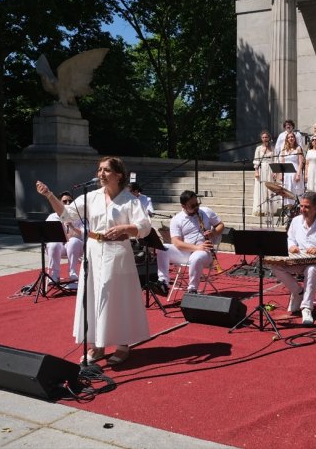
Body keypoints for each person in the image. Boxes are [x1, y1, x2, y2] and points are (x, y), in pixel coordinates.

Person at [35, 156, 151, 366]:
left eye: (106, 170)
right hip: (93, 250)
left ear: (119, 175)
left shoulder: (130, 200)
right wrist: (50, 195)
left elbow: (144, 227)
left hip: (119, 253)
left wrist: (125, 228)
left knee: (117, 297)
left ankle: (123, 345)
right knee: (94, 295)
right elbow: (68, 215)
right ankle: (97, 344)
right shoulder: (92, 197)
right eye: (99, 170)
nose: (101, 174)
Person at [270, 192, 316, 325]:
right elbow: (290, 238)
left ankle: (307, 308)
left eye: (306, 207)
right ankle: (299, 292)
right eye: (301, 206)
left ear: (315, 207)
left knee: (311, 269)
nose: (302, 209)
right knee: (276, 265)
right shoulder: (296, 221)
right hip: (301, 260)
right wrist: (292, 246)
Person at [156, 191, 224, 294]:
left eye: (197, 204)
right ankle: (163, 283)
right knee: (162, 247)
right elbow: (176, 243)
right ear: (183, 206)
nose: (196, 207)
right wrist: (197, 247)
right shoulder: (177, 219)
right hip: (187, 251)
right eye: (192, 205)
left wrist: (213, 233)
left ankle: (192, 289)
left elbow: (220, 225)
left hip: (205, 252)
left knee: (196, 257)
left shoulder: (206, 211)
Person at [45, 191, 83, 289]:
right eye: (64, 201)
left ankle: (73, 273)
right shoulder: (52, 217)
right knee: (54, 243)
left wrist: (72, 227)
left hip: (76, 247)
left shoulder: (79, 217)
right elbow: (47, 235)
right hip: (59, 247)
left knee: (73, 241)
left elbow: (85, 233)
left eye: (70, 201)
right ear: (59, 202)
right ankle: (55, 274)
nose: (67, 203)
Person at [253, 130, 276, 217]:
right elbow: (256, 160)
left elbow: (275, 160)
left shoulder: (273, 148)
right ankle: (261, 209)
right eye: (263, 137)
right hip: (262, 169)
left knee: (269, 189)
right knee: (261, 189)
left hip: (270, 169)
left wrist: (275, 171)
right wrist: (256, 171)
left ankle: (269, 210)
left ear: (269, 138)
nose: (264, 139)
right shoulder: (258, 148)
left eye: (266, 137)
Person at [279, 131, 304, 206]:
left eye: (292, 137)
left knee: (295, 191)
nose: (291, 138)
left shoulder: (298, 148)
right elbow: (282, 163)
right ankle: (288, 210)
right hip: (286, 173)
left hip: (295, 172)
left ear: (295, 138)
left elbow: (300, 163)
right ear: (287, 139)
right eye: (289, 137)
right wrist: (281, 174)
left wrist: (298, 174)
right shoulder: (284, 150)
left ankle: (296, 209)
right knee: (287, 190)